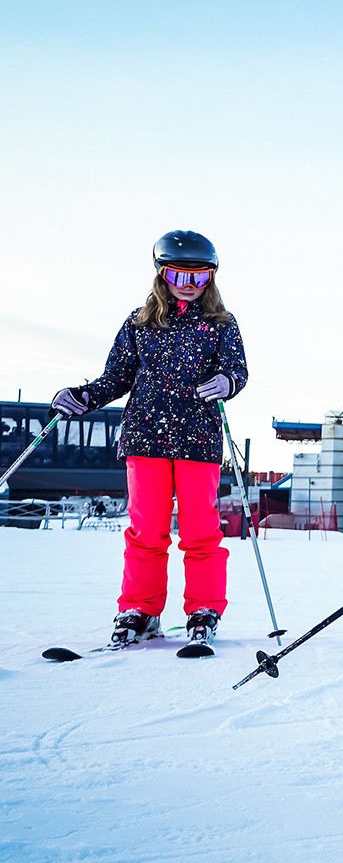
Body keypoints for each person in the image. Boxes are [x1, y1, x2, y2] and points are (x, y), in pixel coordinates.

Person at [50, 230, 248, 651]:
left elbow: (238, 369)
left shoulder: (221, 324)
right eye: (179, 273)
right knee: (146, 530)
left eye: (200, 275)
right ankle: (140, 610)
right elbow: (117, 377)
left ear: (211, 276)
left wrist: (226, 381)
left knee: (200, 530)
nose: (189, 283)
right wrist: (83, 397)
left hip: (198, 439)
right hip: (146, 436)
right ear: (162, 272)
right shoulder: (139, 323)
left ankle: (203, 609)